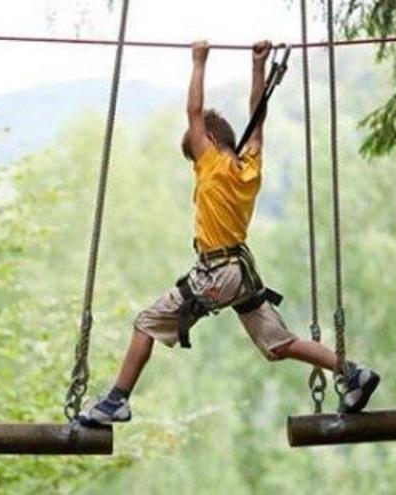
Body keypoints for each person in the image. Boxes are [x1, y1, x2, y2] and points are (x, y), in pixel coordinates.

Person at [80, 40, 379, 426]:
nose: (194, 162)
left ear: (210, 142)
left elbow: (193, 111)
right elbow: (258, 116)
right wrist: (258, 66)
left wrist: (198, 62)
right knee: (277, 345)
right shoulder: (248, 165)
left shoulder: (211, 164)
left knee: (146, 323)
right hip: (240, 271)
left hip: (219, 270)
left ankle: (116, 400)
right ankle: (351, 372)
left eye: (195, 153)